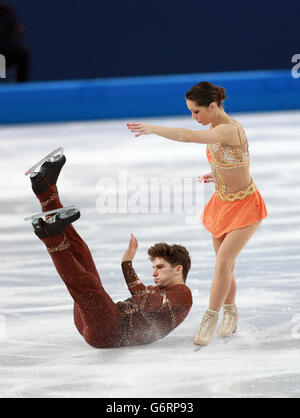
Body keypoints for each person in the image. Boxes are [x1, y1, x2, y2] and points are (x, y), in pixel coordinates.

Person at [126, 81, 268, 346]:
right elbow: (237, 161)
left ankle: (210, 318)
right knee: (226, 266)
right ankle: (230, 312)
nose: (194, 117)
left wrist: (153, 129)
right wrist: (217, 175)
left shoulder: (229, 129)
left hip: (246, 205)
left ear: (212, 106)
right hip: (222, 203)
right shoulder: (215, 126)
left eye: (196, 111)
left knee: (223, 263)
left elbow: (187, 136)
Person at [28, 153, 193, 348]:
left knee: (86, 283)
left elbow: (146, 302)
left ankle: (51, 236)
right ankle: (45, 190)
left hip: (111, 332)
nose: (154, 272)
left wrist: (127, 264)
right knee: (83, 257)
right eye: (155, 267)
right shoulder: (163, 290)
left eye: (160, 267)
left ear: (178, 269)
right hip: (102, 322)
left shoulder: (182, 294)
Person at [0, 2, 29, 82]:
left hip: (4, 52)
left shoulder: (7, 13)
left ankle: (22, 87)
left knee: (22, 54)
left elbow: (12, 38)